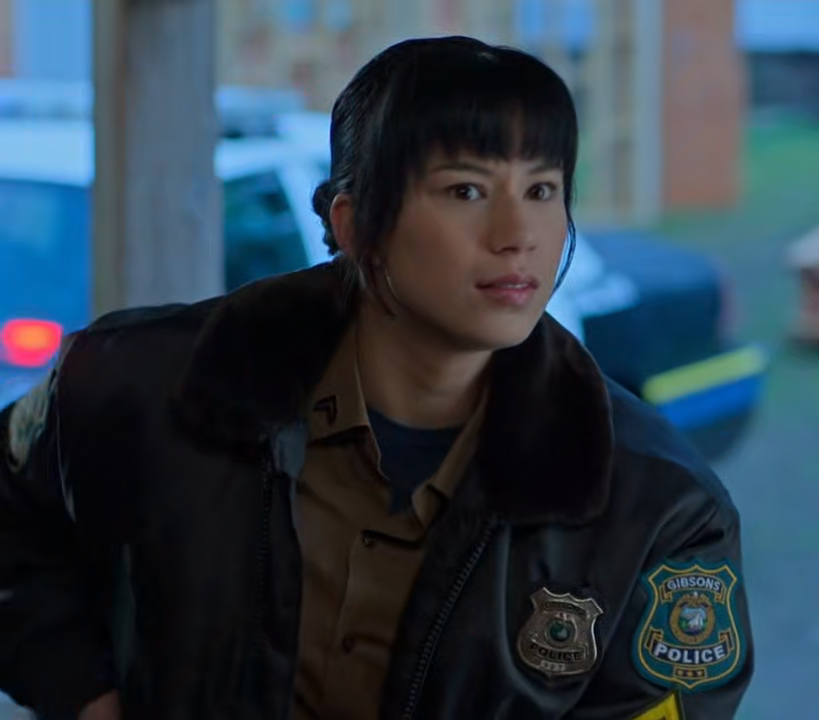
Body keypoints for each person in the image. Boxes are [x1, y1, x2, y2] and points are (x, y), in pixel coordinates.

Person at [0, 36, 753, 719]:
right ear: (355, 224)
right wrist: (85, 694)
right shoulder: (143, 383)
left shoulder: (658, 506)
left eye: (541, 190)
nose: (517, 236)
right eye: (466, 191)